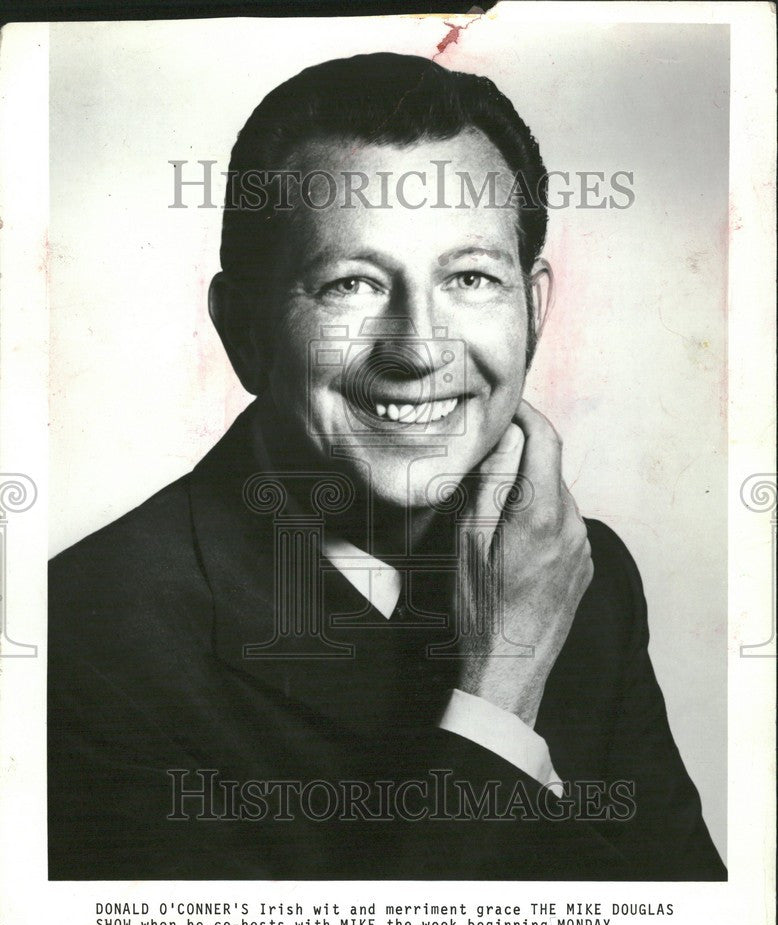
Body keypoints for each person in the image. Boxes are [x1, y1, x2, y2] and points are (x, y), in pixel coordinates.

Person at [48, 52, 725, 880]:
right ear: (244, 331)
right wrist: (500, 685)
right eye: (351, 284)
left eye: (470, 277)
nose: (416, 349)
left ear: (535, 310)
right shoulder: (85, 639)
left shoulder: (586, 573)